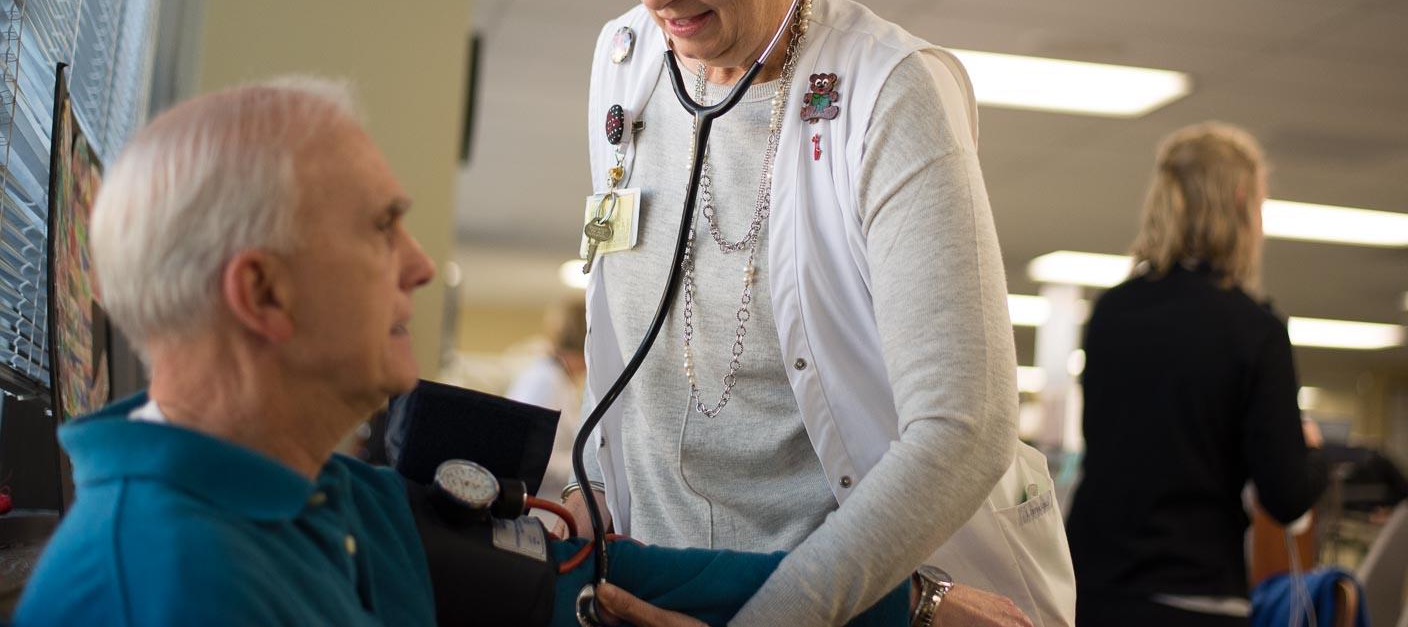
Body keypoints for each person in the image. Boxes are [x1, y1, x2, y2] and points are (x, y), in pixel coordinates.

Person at [18, 80, 918, 627]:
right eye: (381, 228)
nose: (416, 265)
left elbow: (611, 573)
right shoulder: (165, 587)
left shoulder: (335, 498)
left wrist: (913, 604)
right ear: (263, 294)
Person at [568, 0, 1064, 627]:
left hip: (838, 600)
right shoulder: (624, 63)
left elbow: (965, 426)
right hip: (659, 580)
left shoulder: (889, 93)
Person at [1065, 122, 1327, 627]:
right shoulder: (1255, 329)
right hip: (1196, 594)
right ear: (1239, 201)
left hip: (1093, 591)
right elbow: (1285, 493)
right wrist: (1311, 452)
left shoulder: (1111, 313)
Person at [506, 300, 588, 513]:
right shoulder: (544, 381)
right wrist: (591, 467)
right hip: (536, 511)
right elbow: (531, 458)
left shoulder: (560, 381)